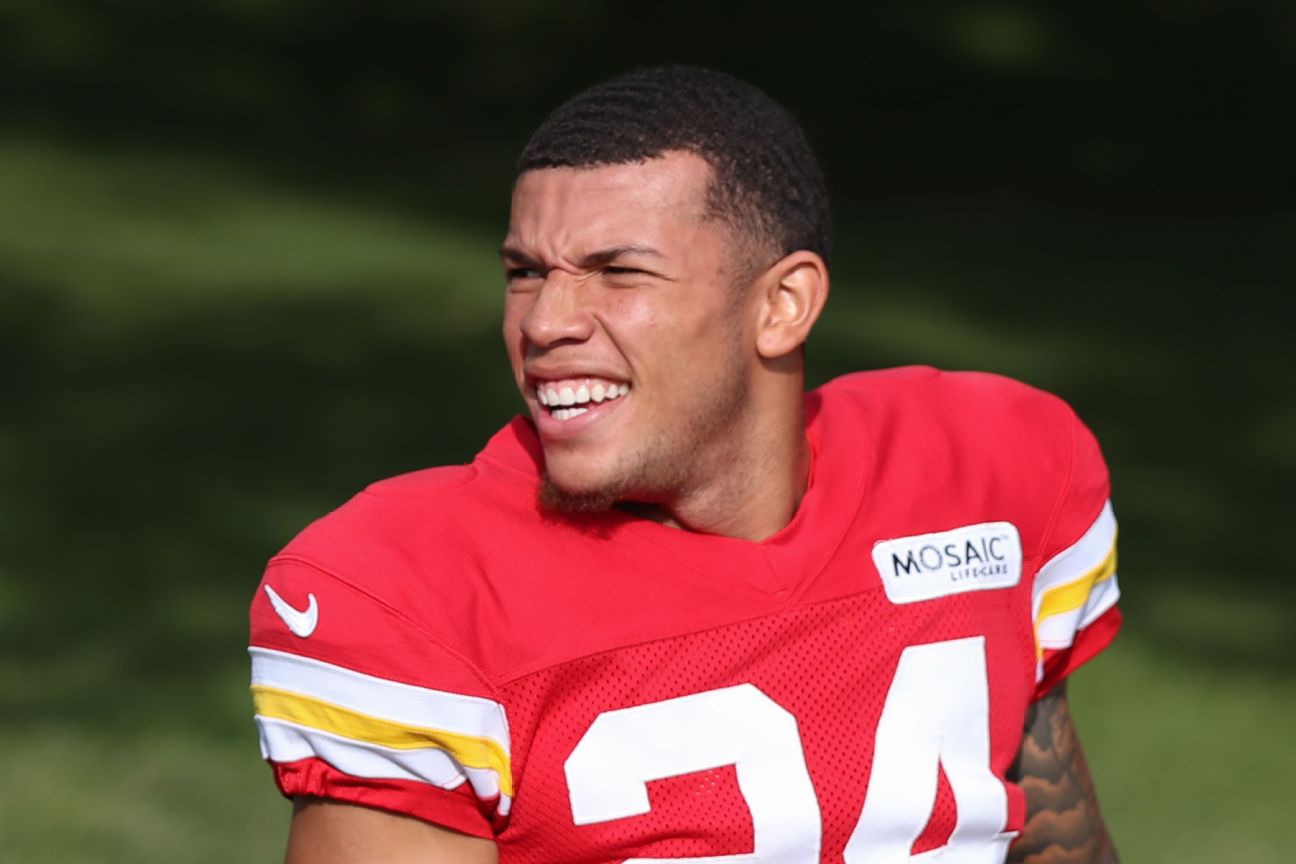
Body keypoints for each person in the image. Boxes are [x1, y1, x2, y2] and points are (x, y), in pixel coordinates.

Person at [248, 65, 1122, 863]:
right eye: (524, 271)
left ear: (783, 305)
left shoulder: (985, 468)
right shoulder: (413, 592)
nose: (545, 321)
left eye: (616, 271)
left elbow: (1053, 823)